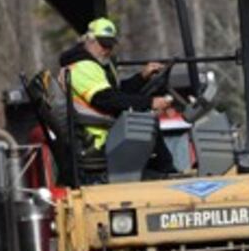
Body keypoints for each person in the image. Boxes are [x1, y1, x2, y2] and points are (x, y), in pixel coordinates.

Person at [59, 17, 175, 176]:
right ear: (89, 40)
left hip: (107, 128)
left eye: (110, 45)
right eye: (103, 44)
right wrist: (149, 102)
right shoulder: (81, 66)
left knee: (147, 123)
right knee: (147, 122)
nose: (107, 49)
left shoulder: (97, 64)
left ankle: (168, 172)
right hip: (97, 137)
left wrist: (142, 77)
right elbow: (106, 99)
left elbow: (116, 92)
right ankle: (168, 173)